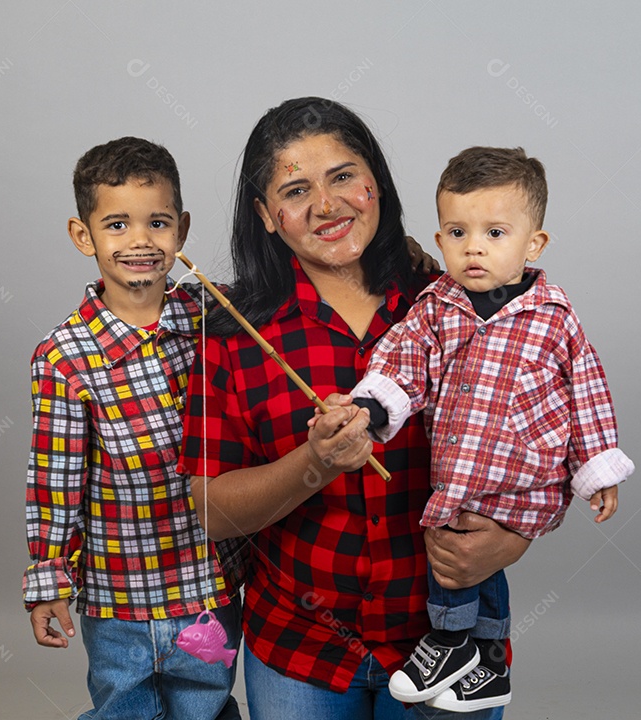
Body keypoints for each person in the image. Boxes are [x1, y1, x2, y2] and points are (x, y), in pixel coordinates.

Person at [178, 98, 528, 720]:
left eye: (342, 176)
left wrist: (513, 538)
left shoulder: (461, 303)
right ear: (266, 215)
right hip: (299, 647)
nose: (326, 204)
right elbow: (211, 511)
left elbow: (539, 440)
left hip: (446, 646)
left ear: (377, 185)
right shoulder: (233, 332)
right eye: (295, 189)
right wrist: (315, 462)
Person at [347, 146, 635, 712]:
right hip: (460, 470)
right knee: (463, 549)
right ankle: (489, 663)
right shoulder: (438, 306)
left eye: (495, 233)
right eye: (457, 232)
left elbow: (587, 389)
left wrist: (597, 465)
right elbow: (403, 359)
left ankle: (450, 641)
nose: (473, 247)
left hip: (526, 476)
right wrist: (378, 404)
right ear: (439, 238)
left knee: (464, 559)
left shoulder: (553, 316)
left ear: (534, 243)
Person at [23, 137, 246, 720]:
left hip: (210, 587)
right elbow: (56, 479)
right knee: (124, 710)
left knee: (207, 709)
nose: (141, 241)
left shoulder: (214, 319)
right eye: (117, 224)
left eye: (158, 223)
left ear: (183, 229)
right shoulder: (64, 355)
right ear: (83, 236)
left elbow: (289, 296)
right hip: (120, 593)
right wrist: (48, 577)